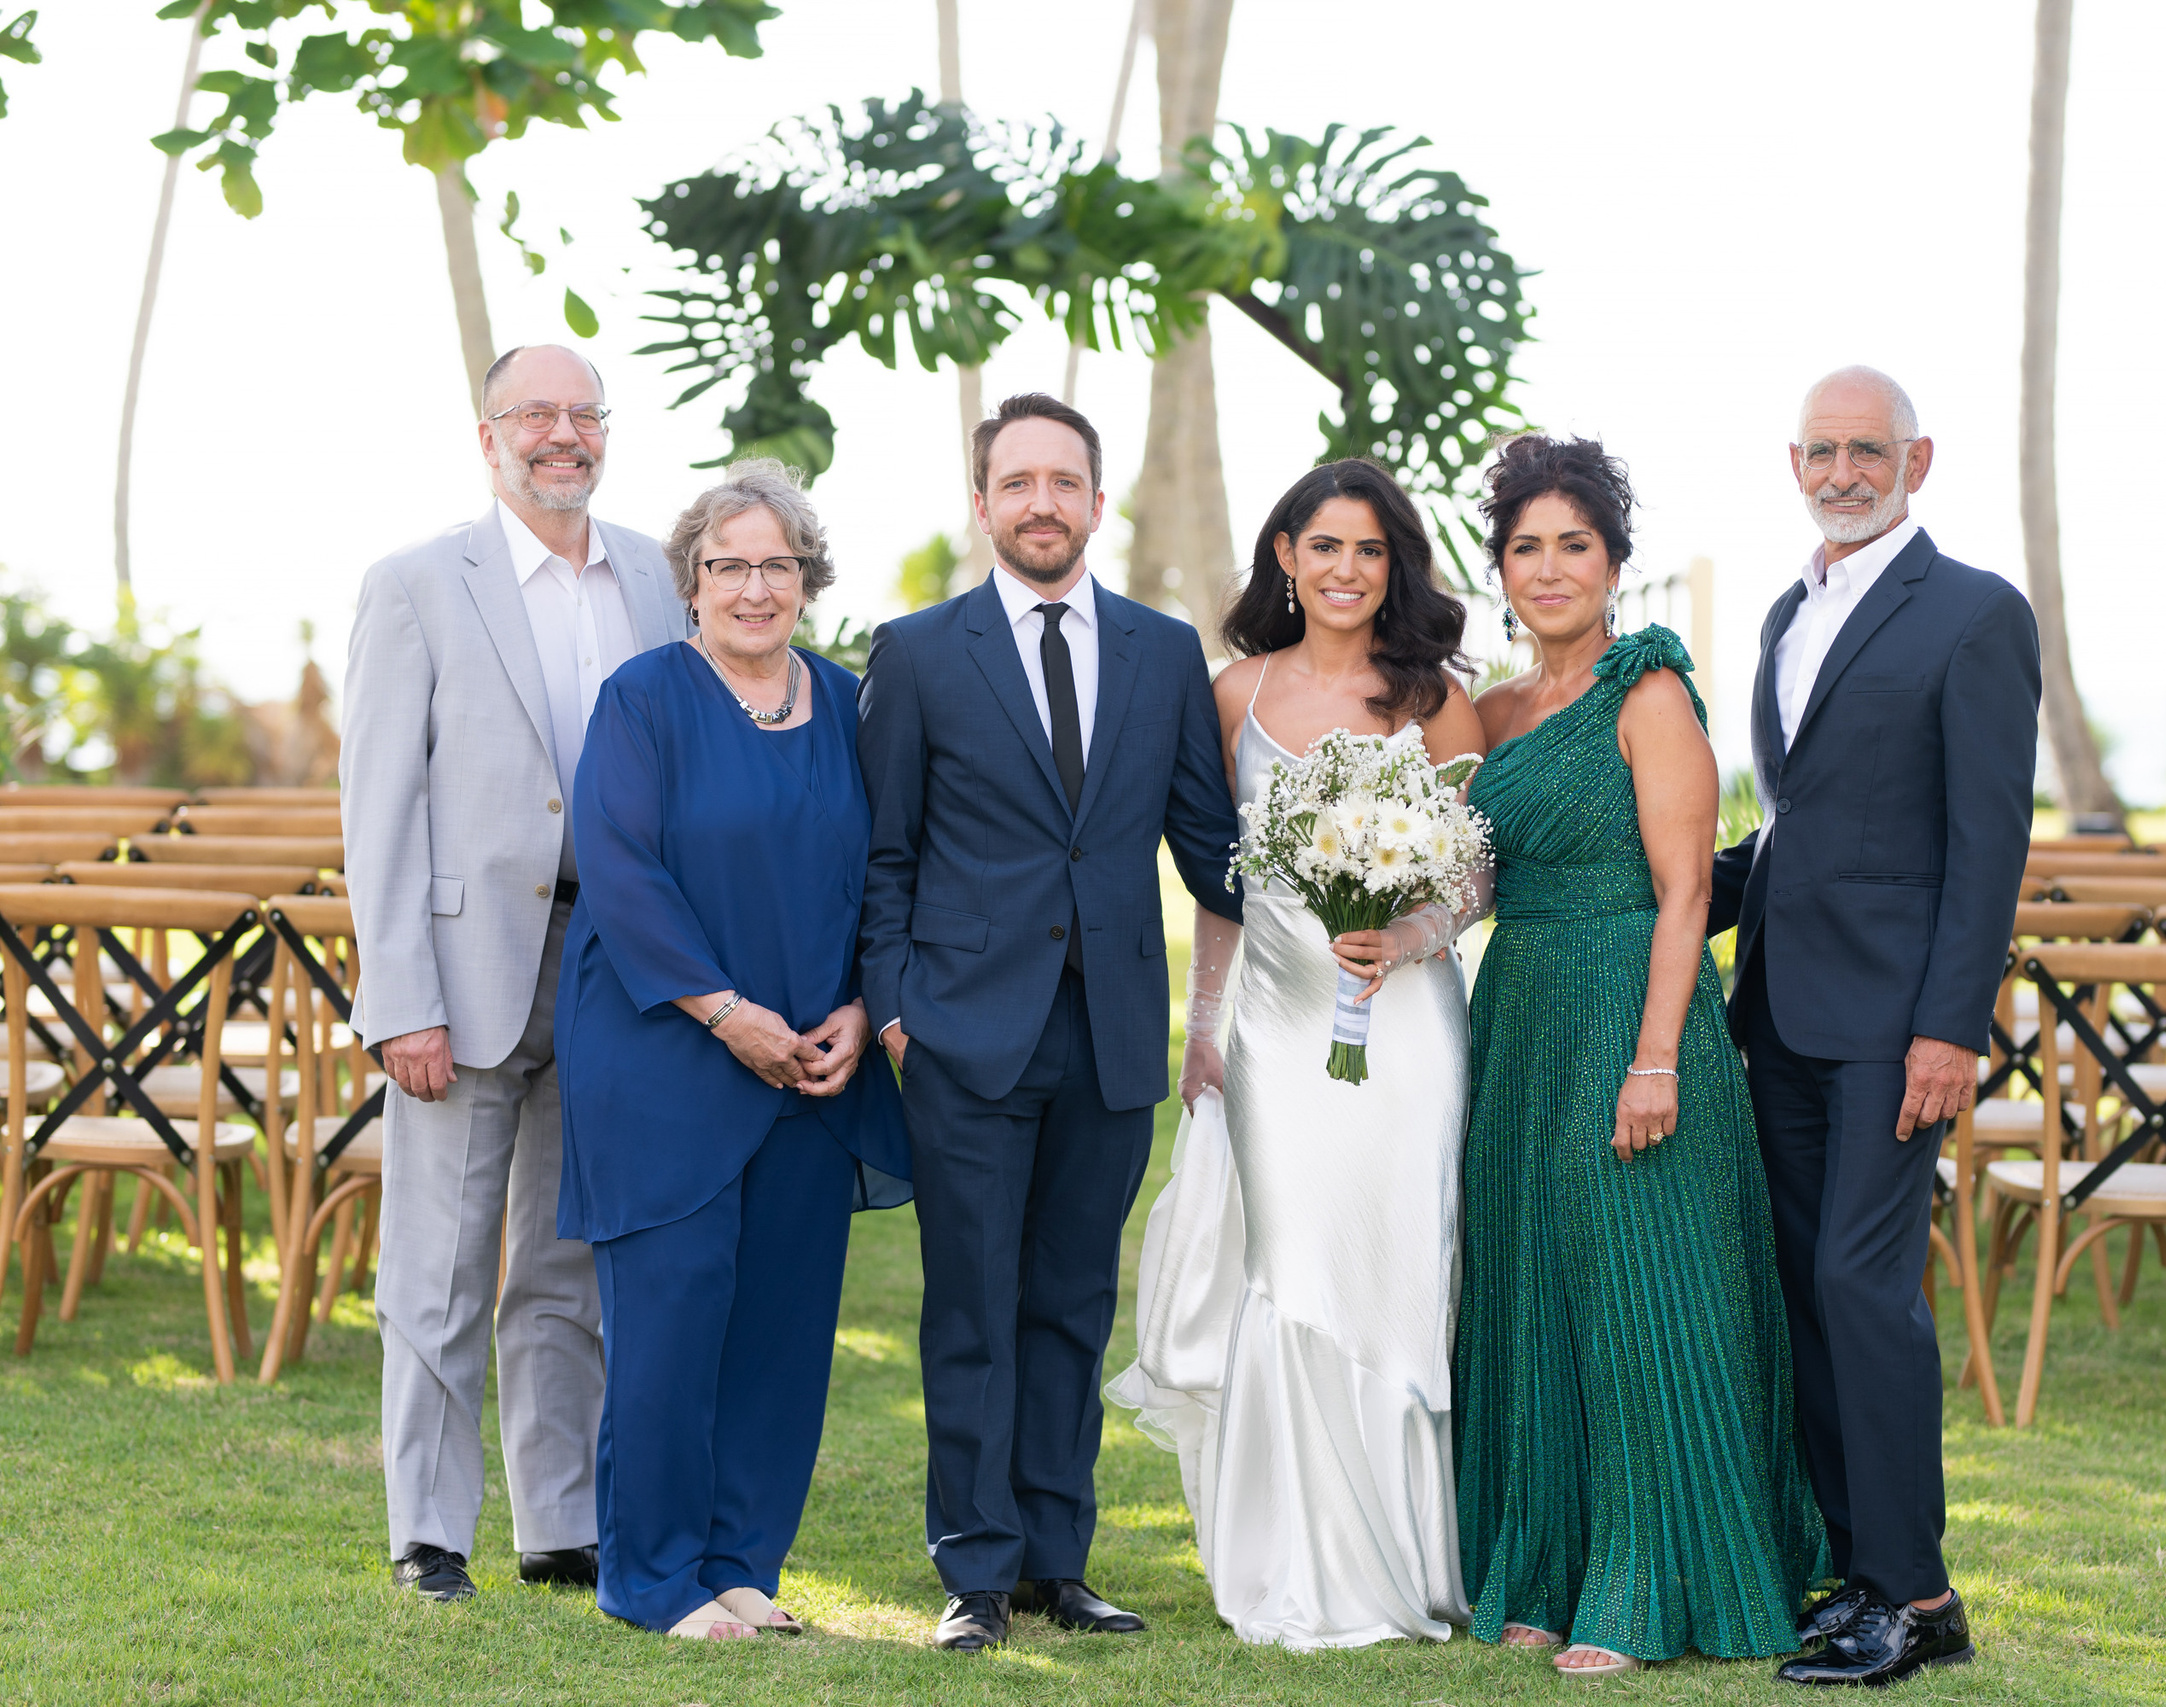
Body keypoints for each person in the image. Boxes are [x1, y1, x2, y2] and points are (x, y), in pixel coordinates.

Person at [857, 393, 1245, 1653]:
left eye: (1062, 482)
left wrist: (1354, 878)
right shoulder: (917, 652)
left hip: (1112, 1033)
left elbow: (1209, 845)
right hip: (965, 1033)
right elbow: (885, 854)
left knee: (1074, 1305)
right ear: (983, 505)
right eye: (1015, 482)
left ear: (1092, 500)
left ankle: (1055, 1563)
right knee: (971, 1304)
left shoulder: (1160, 650)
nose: (1040, 503)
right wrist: (896, 1005)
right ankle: (974, 1572)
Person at [1456, 433, 1827, 1679]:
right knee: (1536, 1288)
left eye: (1574, 545)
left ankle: (1644, 1579)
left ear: (1614, 563)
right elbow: (1469, 884)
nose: (1549, 568)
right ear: (1498, 567)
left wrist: (1657, 1057)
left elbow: (1684, 894)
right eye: (1526, 548)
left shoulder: (1649, 693)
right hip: (1520, 1013)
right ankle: (1547, 1571)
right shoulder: (1495, 712)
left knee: (1641, 1294)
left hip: (1634, 1004)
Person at [1107, 459, 1486, 1648]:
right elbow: (1220, 887)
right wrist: (1204, 1027)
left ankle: (1411, 1557)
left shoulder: (1435, 698)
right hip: (1273, 1034)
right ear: (1285, 554)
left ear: (1395, 567)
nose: (1346, 571)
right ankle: (1292, 1561)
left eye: (1370, 551)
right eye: (1324, 546)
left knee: (1401, 1265)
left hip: (1409, 1030)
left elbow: (1474, 870)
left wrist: (1415, 932)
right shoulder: (1232, 695)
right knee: (1293, 1267)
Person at [342, 345, 687, 1601]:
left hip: (615, 973)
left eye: (582, 413)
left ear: (607, 433)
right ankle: (429, 1532)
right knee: (435, 1269)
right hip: (465, 970)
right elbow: (377, 811)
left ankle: (560, 1525)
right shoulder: (419, 584)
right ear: (485, 434)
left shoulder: (658, 575)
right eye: (534, 413)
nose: (562, 434)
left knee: (563, 1265)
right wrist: (400, 1004)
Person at [1710, 367, 2038, 1687]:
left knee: (1864, 1284)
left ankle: (1920, 1593)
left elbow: (1988, 844)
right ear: (1796, 462)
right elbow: (1793, 833)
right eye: (1823, 451)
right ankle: (1857, 1573)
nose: (1845, 470)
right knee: (1810, 1294)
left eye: (1869, 449)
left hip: (1898, 1027)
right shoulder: (1791, 610)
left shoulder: (1974, 615)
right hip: (1783, 1013)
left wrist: (1950, 1027)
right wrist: (1657, 894)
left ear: (1919, 457)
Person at [555, 459, 911, 1639]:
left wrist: (861, 1008)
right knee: (668, 1327)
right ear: (690, 583)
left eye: (776, 565)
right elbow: (619, 870)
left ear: (806, 579)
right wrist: (723, 1013)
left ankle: (740, 1563)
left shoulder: (851, 703)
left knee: (781, 1334)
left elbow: (883, 877)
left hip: (812, 1066)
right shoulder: (644, 697)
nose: (753, 588)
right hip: (666, 1056)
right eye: (728, 566)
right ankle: (651, 1578)